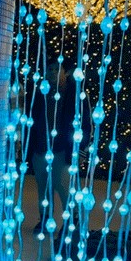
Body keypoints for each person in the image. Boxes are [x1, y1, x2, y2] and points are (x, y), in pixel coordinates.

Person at [25, 58, 85, 237]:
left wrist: (80, 150)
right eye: (49, 69)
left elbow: (86, 124)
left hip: (62, 150)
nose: (51, 72)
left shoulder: (76, 96)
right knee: (43, 187)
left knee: (64, 187)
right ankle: (44, 219)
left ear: (65, 73)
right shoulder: (39, 94)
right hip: (41, 149)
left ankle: (71, 222)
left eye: (56, 69)